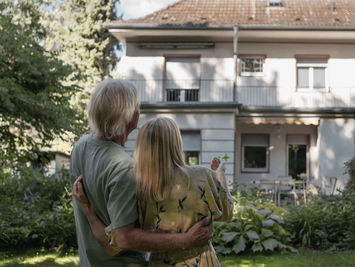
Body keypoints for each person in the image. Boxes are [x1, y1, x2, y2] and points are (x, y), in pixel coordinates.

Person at [70, 79, 212, 267]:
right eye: (137, 106)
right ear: (129, 116)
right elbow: (124, 239)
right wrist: (186, 239)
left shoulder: (81, 146)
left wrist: (88, 210)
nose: (139, 111)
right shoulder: (124, 168)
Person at [73, 117, 233, 266]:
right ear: (176, 142)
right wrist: (220, 175)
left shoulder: (138, 188)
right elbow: (227, 213)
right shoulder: (202, 176)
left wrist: (87, 208)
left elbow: (113, 244)